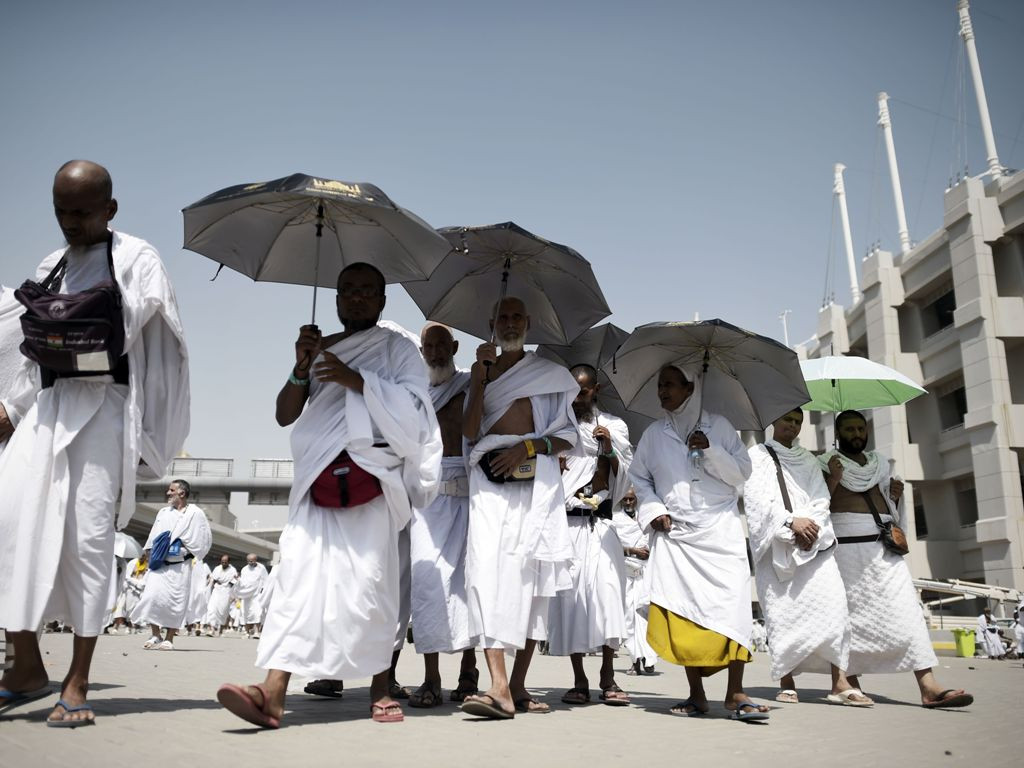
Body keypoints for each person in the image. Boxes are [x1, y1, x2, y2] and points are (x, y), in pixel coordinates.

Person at [0, 160, 189, 727]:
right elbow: (35, 352)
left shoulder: (137, 259)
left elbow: (137, 336)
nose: (71, 223)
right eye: (61, 211)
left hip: (104, 411)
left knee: (85, 544)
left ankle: (77, 681)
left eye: (81, 212)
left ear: (109, 209)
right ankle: (26, 665)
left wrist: (62, 320)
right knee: (10, 528)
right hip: (49, 409)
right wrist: (12, 409)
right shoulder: (51, 265)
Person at [217, 263, 442, 728]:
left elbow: (417, 415)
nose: (356, 298)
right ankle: (273, 690)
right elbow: (285, 414)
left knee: (372, 586)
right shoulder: (318, 349)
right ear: (336, 299)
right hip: (317, 477)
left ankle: (380, 689)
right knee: (297, 581)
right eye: (347, 291)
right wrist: (303, 367)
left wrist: (356, 380)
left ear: (382, 301)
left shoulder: (396, 348)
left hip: (372, 480)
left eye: (366, 291)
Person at [460, 297, 579, 719]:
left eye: (516, 317)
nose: (509, 323)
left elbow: (568, 436)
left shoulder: (550, 375)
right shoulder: (479, 374)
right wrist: (478, 380)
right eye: (502, 317)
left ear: (528, 324)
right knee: (486, 575)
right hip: (489, 487)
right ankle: (497, 685)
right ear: (491, 324)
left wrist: (528, 446)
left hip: (535, 488)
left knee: (533, 582)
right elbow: (470, 432)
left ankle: (518, 685)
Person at [628, 366, 768, 721]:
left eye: (670, 385)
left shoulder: (719, 426)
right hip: (676, 538)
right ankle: (696, 695)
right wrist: (654, 509)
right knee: (683, 610)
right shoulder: (653, 435)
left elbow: (742, 473)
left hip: (720, 533)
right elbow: (639, 478)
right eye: (660, 385)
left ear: (691, 388)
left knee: (732, 611)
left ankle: (735, 693)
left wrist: (711, 450)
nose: (662, 391)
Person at [822, 409, 974, 708]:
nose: (856, 434)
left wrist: (894, 496)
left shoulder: (880, 463)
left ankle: (928, 686)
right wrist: (835, 479)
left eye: (860, 429)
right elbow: (816, 504)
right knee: (849, 620)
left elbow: (889, 509)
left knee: (908, 613)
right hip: (847, 553)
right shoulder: (825, 465)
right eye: (849, 429)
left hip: (883, 548)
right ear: (837, 434)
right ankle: (849, 683)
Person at [743, 409, 870, 706]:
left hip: (814, 545)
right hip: (777, 548)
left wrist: (809, 525)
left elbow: (820, 498)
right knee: (782, 615)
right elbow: (756, 500)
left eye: (798, 421)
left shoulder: (810, 460)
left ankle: (839, 682)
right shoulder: (756, 456)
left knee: (835, 610)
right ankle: (787, 681)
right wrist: (790, 523)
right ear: (773, 421)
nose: (793, 425)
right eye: (787, 418)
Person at [548, 365, 632, 707]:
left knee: (608, 596)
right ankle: (580, 679)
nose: (577, 396)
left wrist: (609, 449)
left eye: (583, 390)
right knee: (571, 602)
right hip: (566, 525)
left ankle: (608, 674)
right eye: (572, 390)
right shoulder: (556, 425)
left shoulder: (614, 426)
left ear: (594, 390)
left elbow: (627, 477)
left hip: (600, 524)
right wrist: (554, 462)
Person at [406, 323, 478, 708]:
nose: (435, 352)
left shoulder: (471, 384)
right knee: (428, 585)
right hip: (428, 501)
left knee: (471, 585)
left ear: (454, 346)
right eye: (427, 346)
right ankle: (431, 677)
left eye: (440, 345)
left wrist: (484, 374)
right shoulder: (415, 392)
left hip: (470, 495)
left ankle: (469, 671)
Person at [132, 480, 212, 650]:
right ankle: (155, 634)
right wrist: (149, 552)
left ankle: (169, 638)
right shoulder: (163, 512)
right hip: (159, 563)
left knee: (176, 601)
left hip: (180, 565)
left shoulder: (195, 514)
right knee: (151, 597)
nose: (168, 493)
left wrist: (185, 546)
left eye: (171, 490)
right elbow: (154, 534)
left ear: (181, 493)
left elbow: (203, 539)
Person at [610, 487, 657, 676]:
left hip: (645, 574)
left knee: (645, 617)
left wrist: (647, 550)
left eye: (631, 499)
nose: (628, 503)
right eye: (625, 500)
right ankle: (635, 660)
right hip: (626, 574)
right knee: (629, 619)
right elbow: (613, 546)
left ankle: (649, 658)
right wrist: (633, 551)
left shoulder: (645, 518)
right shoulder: (615, 520)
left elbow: (654, 540)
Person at [111, 552, 149, 635]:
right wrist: (133, 582)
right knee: (121, 607)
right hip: (128, 588)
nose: (142, 557)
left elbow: (145, 579)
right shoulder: (133, 562)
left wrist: (137, 584)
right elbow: (126, 576)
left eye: (144, 556)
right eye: (141, 555)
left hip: (139, 590)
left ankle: (130, 627)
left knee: (132, 609)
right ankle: (116, 626)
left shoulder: (147, 564)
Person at [236, 554, 269, 639]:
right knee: (245, 613)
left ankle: (257, 632)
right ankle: (246, 632)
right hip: (246, 595)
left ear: (256, 560)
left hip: (257, 595)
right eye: (249, 561)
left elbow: (266, 580)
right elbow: (242, 582)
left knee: (257, 612)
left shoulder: (261, 568)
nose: (250, 562)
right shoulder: (244, 569)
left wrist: (263, 591)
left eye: (252, 561)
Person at [205, 555, 237, 636]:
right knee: (211, 609)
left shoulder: (233, 570)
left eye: (225, 562)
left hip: (226, 591)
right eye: (222, 562)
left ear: (228, 562)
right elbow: (213, 578)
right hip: (216, 590)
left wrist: (232, 593)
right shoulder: (217, 568)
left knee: (223, 611)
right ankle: (211, 629)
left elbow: (235, 581)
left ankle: (221, 630)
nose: (223, 563)